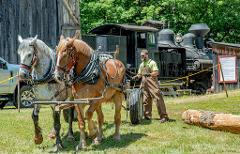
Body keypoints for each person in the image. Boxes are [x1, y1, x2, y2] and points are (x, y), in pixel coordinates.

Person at [133, 49, 169, 123]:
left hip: (152, 84)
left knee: (158, 99)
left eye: (143, 56)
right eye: (141, 56)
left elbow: (156, 72)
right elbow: (139, 74)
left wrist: (149, 74)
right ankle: (147, 116)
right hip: (144, 84)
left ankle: (164, 117)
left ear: (147, 55)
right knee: (145, 100)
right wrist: (136, 76)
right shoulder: (141, 64)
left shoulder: (152, 62)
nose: (142, 57)